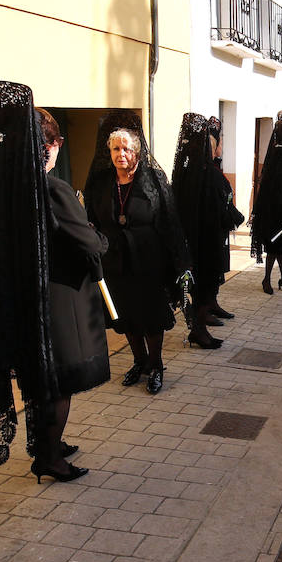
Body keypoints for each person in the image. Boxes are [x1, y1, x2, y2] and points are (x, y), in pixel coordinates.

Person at [0, 82, 106, 486]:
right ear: (50, 146)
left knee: (39, 378)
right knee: (58, 381)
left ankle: (50, 445)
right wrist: (102, 238)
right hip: (60, 298)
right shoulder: (52, 188)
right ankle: (49, 457)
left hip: (23, 298)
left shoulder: (3, 189)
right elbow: (88, 243)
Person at [83, 111, 191, 396]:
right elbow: (91, 217)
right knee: (126, 316)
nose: (121, 154)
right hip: (115, 262)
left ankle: (156, 366)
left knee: (151, 317)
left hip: (148, 261)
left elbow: (169, 221)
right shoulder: (101, 182)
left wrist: (179, 263)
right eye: (116, 149)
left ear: (137, 151)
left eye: (127, 149)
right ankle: (139, 361)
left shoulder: (152, 180)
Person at [172, 112, 231, 349]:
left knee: (200, 287)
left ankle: (199, 328)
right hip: (203, 240)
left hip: (193, 238)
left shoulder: (187, 168)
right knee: (203, 286)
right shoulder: (202, 171)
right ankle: (198, 330)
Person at [251, 118, 282, 294]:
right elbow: (278, 180)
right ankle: (268, 279)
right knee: (274, 245)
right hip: (274, 209)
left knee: (280, 246)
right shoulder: (280, 153)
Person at [204, 116, 240, 324]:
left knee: (219, 266)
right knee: (211, 267)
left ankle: (213, 303)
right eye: (221, 141)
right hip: (212, 229)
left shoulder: (216, 166)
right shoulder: (208, 171)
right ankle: (204, 311)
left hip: (220, 228)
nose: (223, 145)